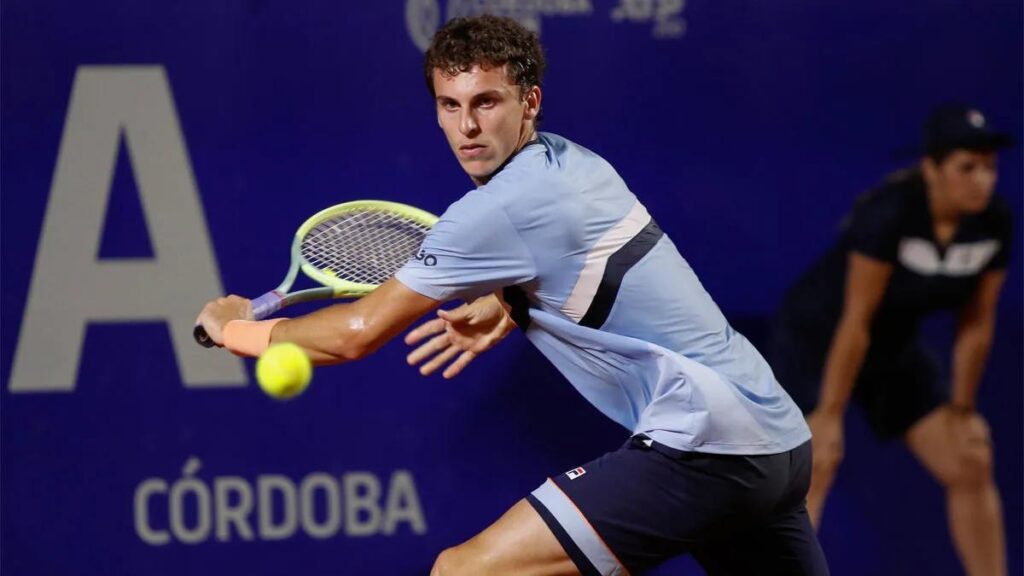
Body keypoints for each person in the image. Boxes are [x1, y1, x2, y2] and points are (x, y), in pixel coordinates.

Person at [197, 15, 827, 575]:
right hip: (777, 441)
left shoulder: (495, 210)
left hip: (708, 444)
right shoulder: (574, 163)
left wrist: (236, 329)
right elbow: (587, 265)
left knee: (462, 572)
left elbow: (355, 335)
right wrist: (508, 303)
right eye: (449, 105)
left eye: (486, 101)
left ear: (530, 101)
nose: (467, 126)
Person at [769, 104, 1012, 576]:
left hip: (890, 344)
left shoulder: (994, 223)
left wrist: (963, 410)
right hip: (820, 337)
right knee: (817, 457)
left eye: (989, 168)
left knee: (970, 457)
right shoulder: (890, 212)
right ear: (932, 168)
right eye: (967, 167)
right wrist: (830, 414)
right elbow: (856, 319)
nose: (982, 180)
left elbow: (977, 322)